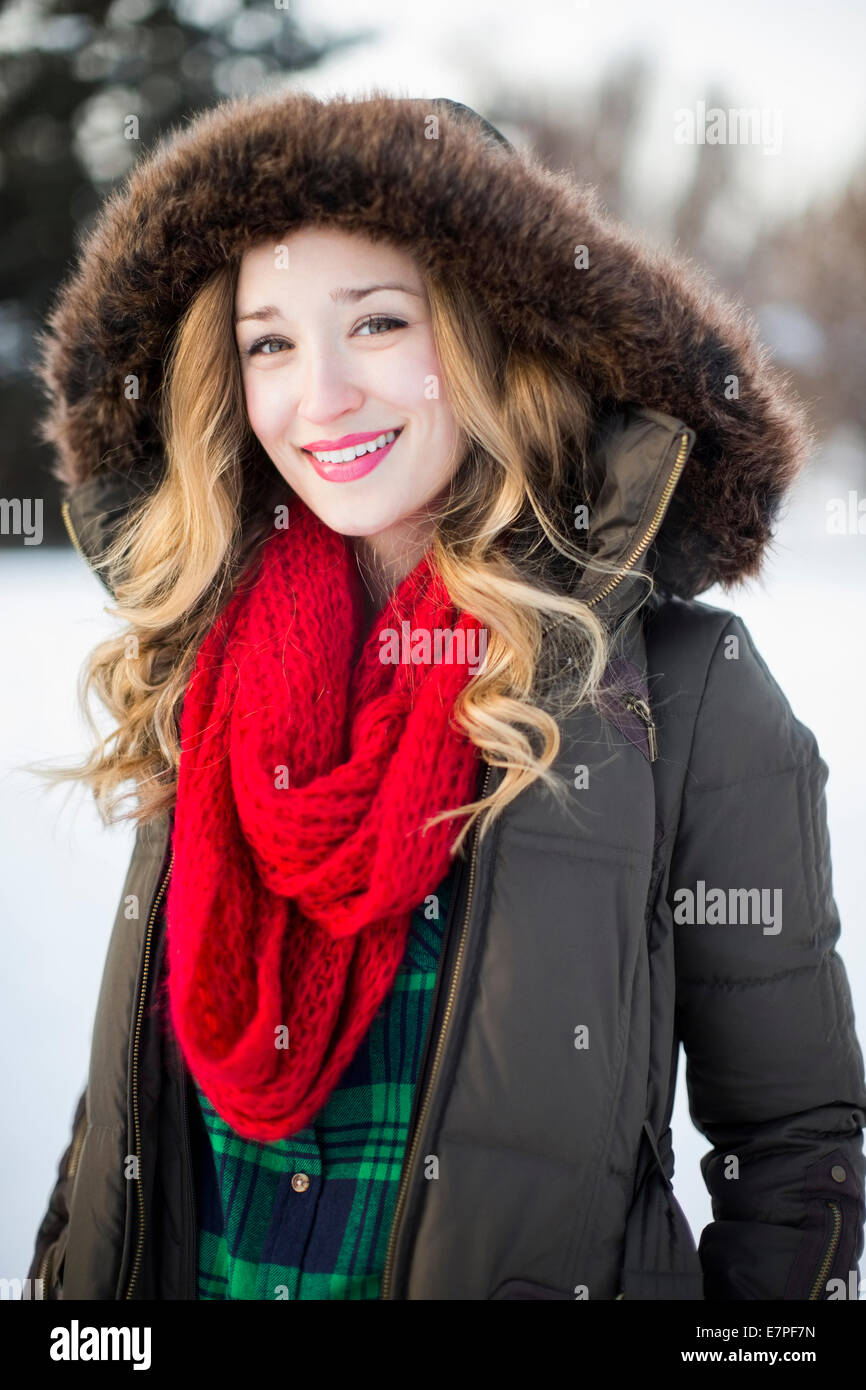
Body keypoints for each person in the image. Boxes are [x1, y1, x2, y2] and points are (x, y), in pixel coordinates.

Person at [26, 88, 866, 1301]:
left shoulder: (679, 697)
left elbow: (793, 1158)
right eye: (269, 341)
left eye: (374, 324)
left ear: (486, 337)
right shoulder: (203, 662)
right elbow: (124, 1108)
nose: (317, 398)